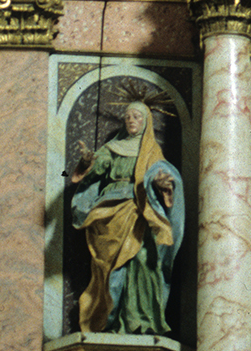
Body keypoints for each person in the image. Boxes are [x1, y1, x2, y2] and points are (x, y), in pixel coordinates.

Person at [70, 100, 184, 335]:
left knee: (143, 260)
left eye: (137, 116)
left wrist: (164, 184)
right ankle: (108, 321)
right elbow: (94, 171)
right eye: (128, 116)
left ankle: (140, 321)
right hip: (109, 210)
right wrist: (87, 161)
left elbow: (162, 174)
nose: (132, 120)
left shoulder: (152, 152)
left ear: (146, 122)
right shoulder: (112, 148)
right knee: (109, 267)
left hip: (140, 210)